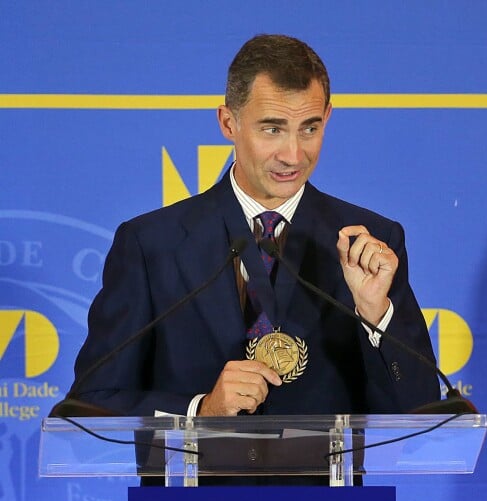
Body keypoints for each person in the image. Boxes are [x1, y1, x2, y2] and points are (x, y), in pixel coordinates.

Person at [63, 34, 440, 422]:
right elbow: (89, 406)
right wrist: (199, 410)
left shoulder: (369, 245)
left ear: (328, 117)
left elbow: (419, 412)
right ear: (229, 122)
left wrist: (376, 314)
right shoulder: (150, 245)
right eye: (272, 129)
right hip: (196, 482)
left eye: (309, 129)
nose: (293, 154)